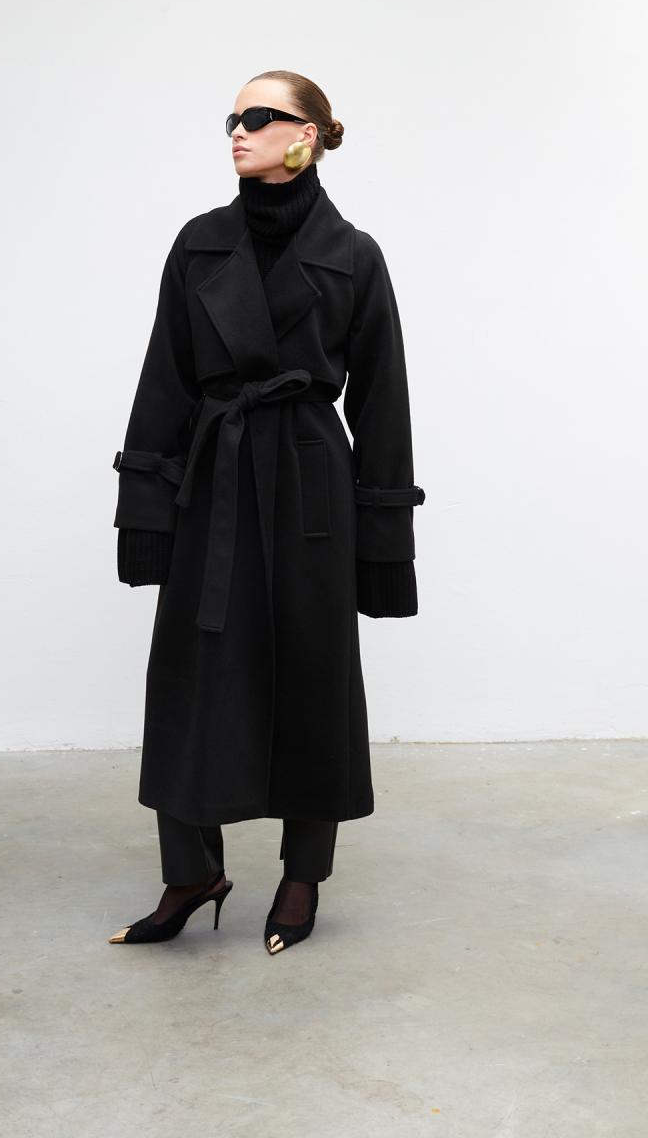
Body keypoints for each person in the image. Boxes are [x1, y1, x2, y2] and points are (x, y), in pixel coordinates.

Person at [108, 70, 425, 954]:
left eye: (259, 116)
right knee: (191, 676)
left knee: (314, 673)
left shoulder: (355, 254)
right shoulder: (199, 243)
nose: (238, 131)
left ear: (307, 135)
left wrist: (383, 542)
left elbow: (384, 405)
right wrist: (146, 510)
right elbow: (166, 378)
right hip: (215, 475)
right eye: (232, 117)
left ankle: (302, 875)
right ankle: (191, 873)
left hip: (311, 484)